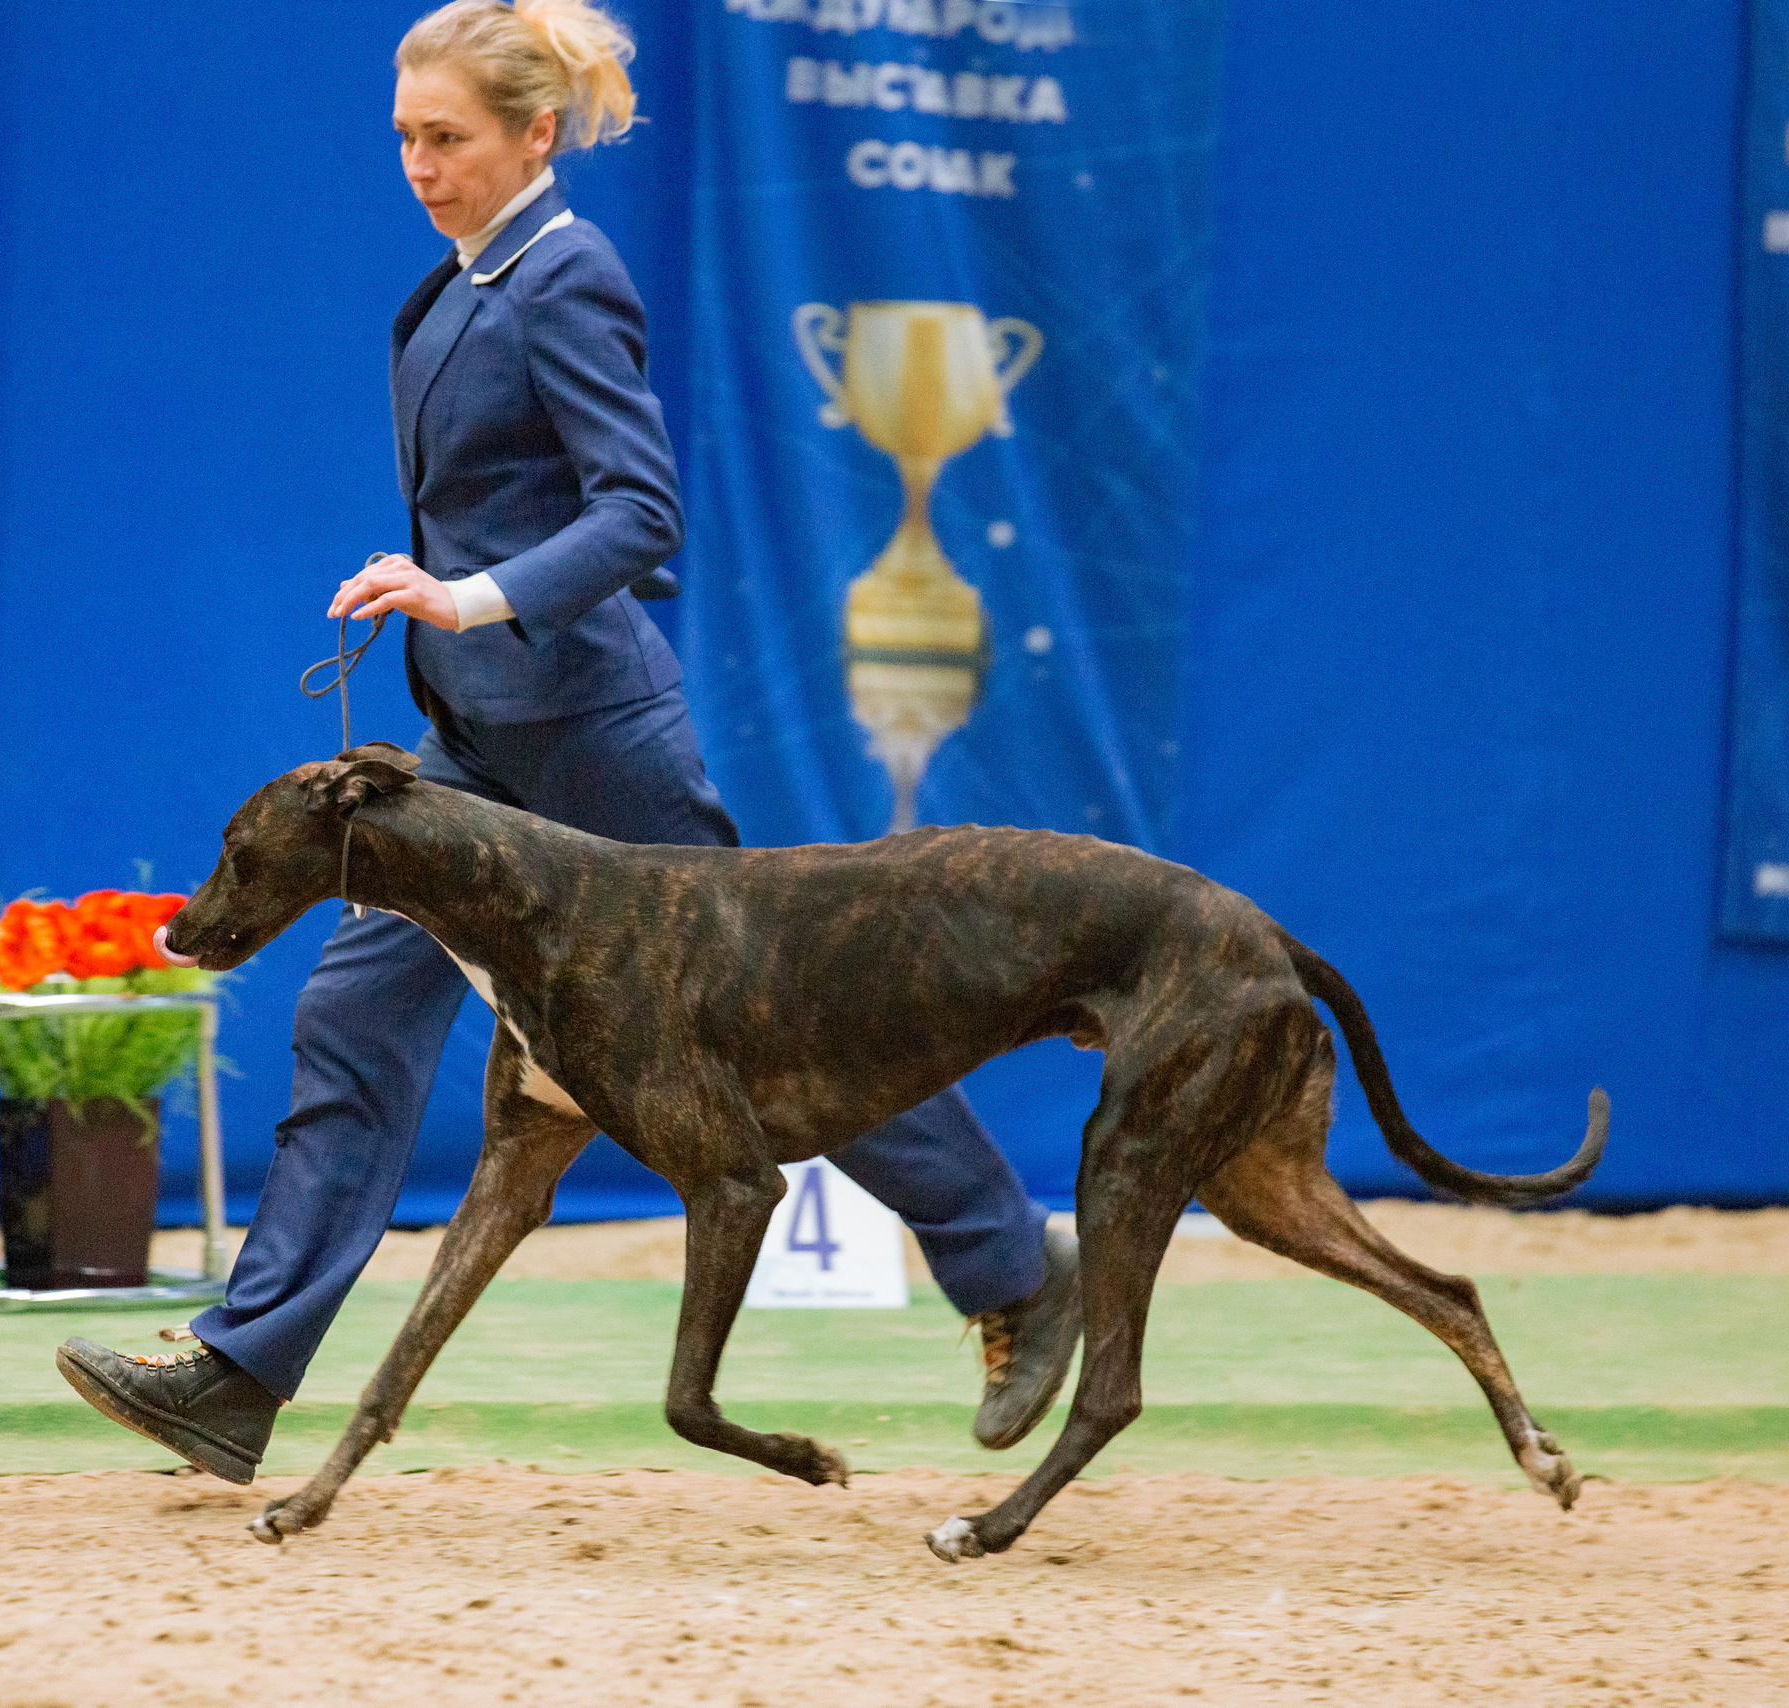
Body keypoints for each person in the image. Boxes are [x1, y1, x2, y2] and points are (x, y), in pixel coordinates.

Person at [57, 0, 1077, 1484]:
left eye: (448, 138)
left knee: (782, 1029)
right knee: (354, 1011)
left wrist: (465, 597)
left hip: (598, 747)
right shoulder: (460, 287)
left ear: (535, 136)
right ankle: (237, 1374)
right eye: (405, 137)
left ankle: (1014, 1271)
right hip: (472, 743)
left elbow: (642, 516)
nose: (419, 163)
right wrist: (435, 603)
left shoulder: (566, 275)